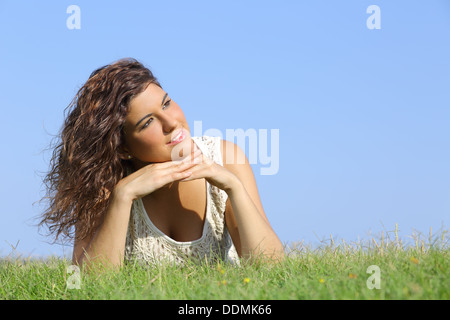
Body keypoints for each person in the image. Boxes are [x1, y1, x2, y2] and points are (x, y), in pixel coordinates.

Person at [40, 58, 284, 269]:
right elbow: (87, 285)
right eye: (147, 123)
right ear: (124, 149)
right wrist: (122, 196)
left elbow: (272, 268)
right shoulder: (104, 182)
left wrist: (234, 187)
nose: (171, 123)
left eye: (166, 103)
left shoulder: (225, 158)